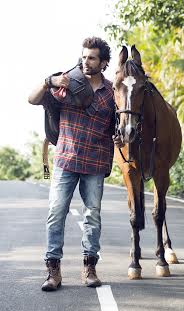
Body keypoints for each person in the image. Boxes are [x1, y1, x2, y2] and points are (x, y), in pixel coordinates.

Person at [28, 37, 120, 291]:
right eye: (83, 56)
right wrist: (50, 81)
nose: (85, 61)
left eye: (91, 57)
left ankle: (89, 268)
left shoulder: (112, 93)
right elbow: (32, 99)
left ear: (103, 63)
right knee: (56, 214)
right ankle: (53, 272)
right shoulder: (67, 82)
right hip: (65, 160)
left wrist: (119, 134)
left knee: (93, 216)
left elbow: (119, 126)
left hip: (95, 162)